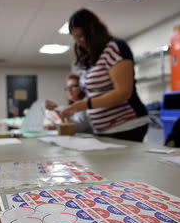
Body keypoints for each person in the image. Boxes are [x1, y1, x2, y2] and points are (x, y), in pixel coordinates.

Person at [60, 9, 149, 142]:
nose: (79, 42)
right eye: (75, 38)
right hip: (104, 130)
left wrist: (83, 105)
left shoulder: (114, 47)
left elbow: (123, 92)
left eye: (81, 36)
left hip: (126, 125)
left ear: (92, 29)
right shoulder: (93, 58)